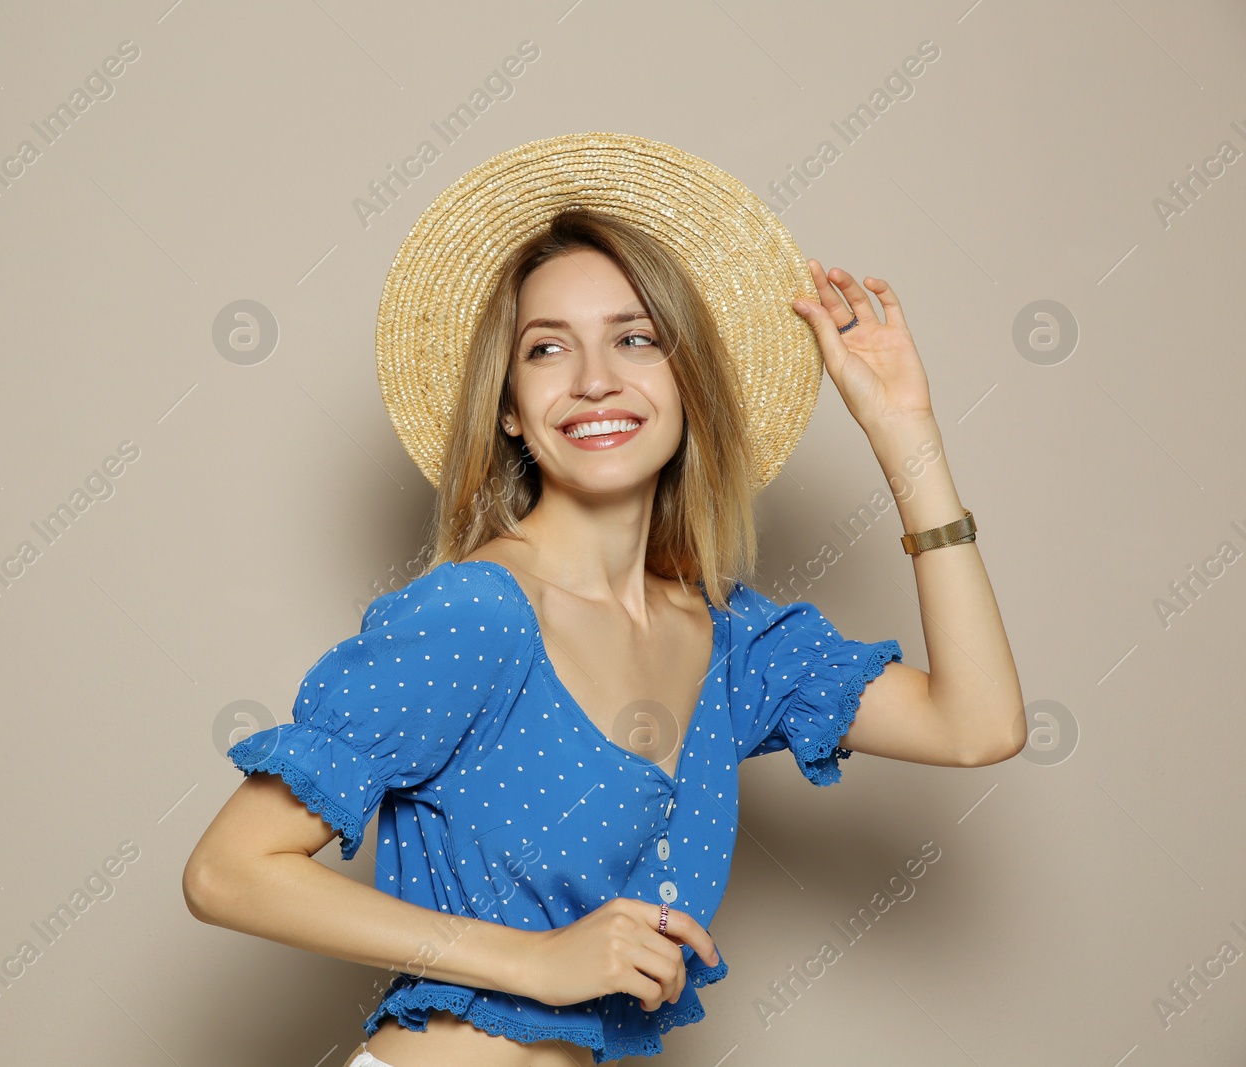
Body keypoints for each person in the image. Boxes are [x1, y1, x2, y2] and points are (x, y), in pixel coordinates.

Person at [184, 133, 1025, 1067]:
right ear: (509, 405)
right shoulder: (475, 615)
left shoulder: (733, 642)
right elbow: (228, 871)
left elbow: (977, 724)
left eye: (636, 339)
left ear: (687, 383)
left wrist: (907, 435)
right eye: (548, 349)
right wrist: (535, 960)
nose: (594, 379)